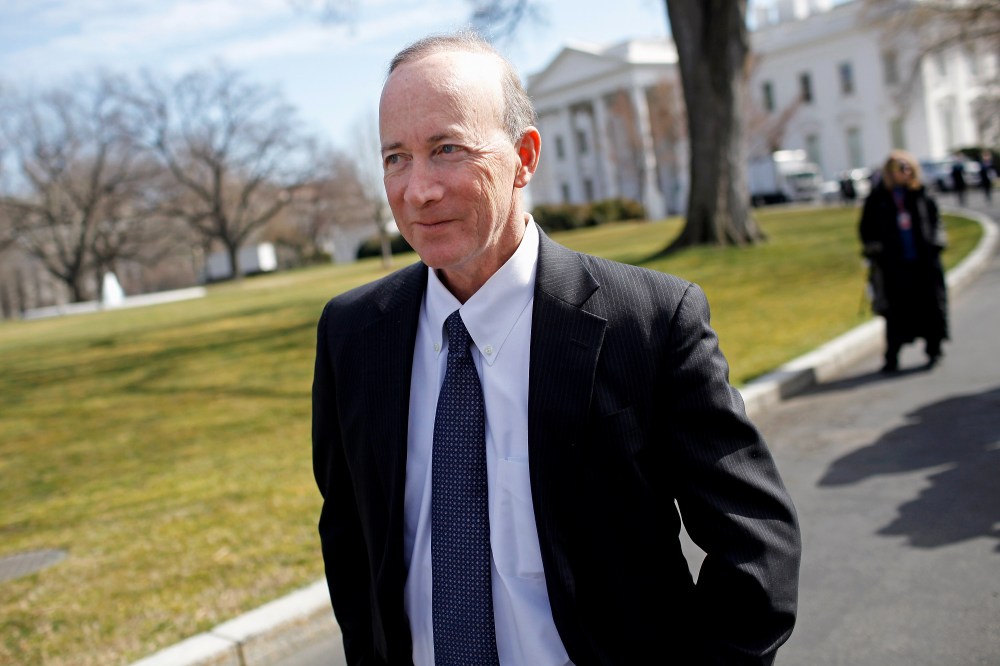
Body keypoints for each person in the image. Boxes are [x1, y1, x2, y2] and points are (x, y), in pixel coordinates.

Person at [312, 31, 801, 666]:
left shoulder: (647, 323)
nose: (418, 189)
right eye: (396, 158)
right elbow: (350, 540)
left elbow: (757, 545)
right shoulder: (352, 334)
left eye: (447, 149)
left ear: (525, 156)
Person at [859, 150, 949, 373]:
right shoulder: (878, 198)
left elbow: (936, 221)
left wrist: (937, 242)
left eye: (907, 168)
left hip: (924, 262)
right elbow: (866, 229)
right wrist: (874, 248)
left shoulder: (921, 193)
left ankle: (934, 350)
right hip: (894, 266)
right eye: (899, 168)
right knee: (896, 313)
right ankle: (892, 357)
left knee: (930, 308)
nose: (904, 173)